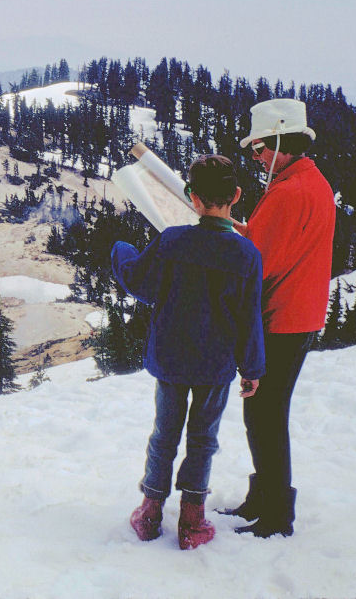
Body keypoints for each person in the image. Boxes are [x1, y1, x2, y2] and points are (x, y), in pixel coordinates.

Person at [112, 155, 265, 550]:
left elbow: (140, 285)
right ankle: (193, 520)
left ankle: (149, 511)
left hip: (172, 358)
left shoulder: (172, 240)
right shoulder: (247, 255)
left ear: (193, 199)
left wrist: (121, 249)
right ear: (235, 195)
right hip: (215, 364)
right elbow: (250, 319)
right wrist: (252, 368)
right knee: (203, 438)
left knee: (164, 434)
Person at [221, 98, 335, 538]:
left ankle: (274, 515)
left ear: (281, 143)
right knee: (264, 411)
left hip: (282, 317)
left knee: (265, 415)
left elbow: (257, 263)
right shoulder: (310, 181)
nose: (256, 157)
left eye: (260, 147)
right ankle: (263, 499)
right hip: (300, 312)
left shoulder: (287, 192)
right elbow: (274, 243)